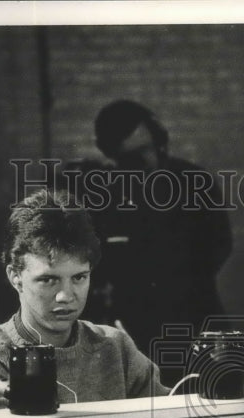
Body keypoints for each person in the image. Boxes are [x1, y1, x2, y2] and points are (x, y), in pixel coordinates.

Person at [0, 188, 167, 405]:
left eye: (79, 278)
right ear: (15, 276)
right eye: (48, 280)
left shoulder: (117, 348)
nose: (65, 296)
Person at [81, 99, 232, 361]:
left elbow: (219, 245)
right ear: (116, 156)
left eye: (152, 148)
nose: (149, 160)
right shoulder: (107, 195)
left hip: (196, 319)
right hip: (135, 328)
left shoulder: (194, 180)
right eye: (135, 155)